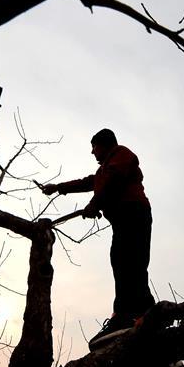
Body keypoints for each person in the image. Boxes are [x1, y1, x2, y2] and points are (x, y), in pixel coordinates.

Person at [42, 128, 155, 350]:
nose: (92, 152)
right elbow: (88, 182)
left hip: (134, 213)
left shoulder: (121, 155)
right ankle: (143, 313)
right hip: (123, 219)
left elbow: (114, 180)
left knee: (129, 262)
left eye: (94, 147)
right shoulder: (103, 171)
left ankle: (127, 315)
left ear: (104, 145)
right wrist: (59, 188)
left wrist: (95, 203)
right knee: (123, 262)